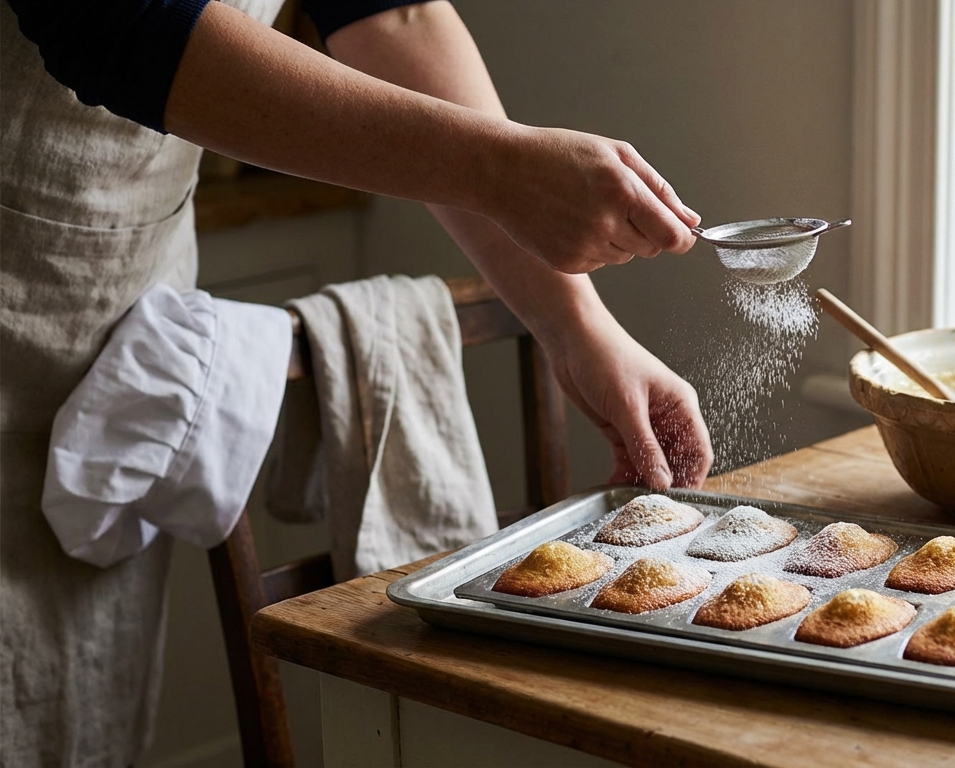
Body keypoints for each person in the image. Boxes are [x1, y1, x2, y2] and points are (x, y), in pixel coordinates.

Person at [0, 0, 713, 764]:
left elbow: (393, 17)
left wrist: (580, 329)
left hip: (116, 294)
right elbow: (125, 24)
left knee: (69, 701)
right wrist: (498, 167)